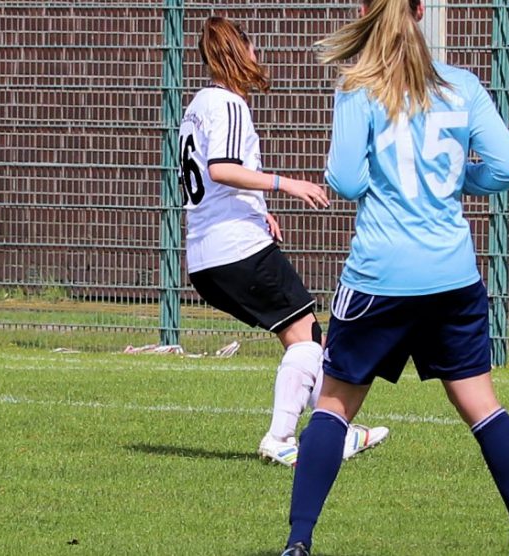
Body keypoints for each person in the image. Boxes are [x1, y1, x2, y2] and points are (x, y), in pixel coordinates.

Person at [281, 2, 509, 555]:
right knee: (484, 406)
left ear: (364, 9)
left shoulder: (359, 86)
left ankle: (298, 543)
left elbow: (346, 179)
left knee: (333, 405)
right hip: (451, 278)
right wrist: (455, 181)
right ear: (421, 10)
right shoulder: (464, 85)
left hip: (379, 277)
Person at [178, 16, 388, 468]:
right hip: (235, 248)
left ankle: (334, 432)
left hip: (206, 252)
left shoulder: (198, 104)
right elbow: (221, 169)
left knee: (303, 334)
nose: (258, 58)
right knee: (307, 342)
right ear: (238, 53)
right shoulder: (229, 104)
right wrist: (286, 184)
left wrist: (258, 209)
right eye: (253, 50)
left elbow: (214, 181)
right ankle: (281, 438)